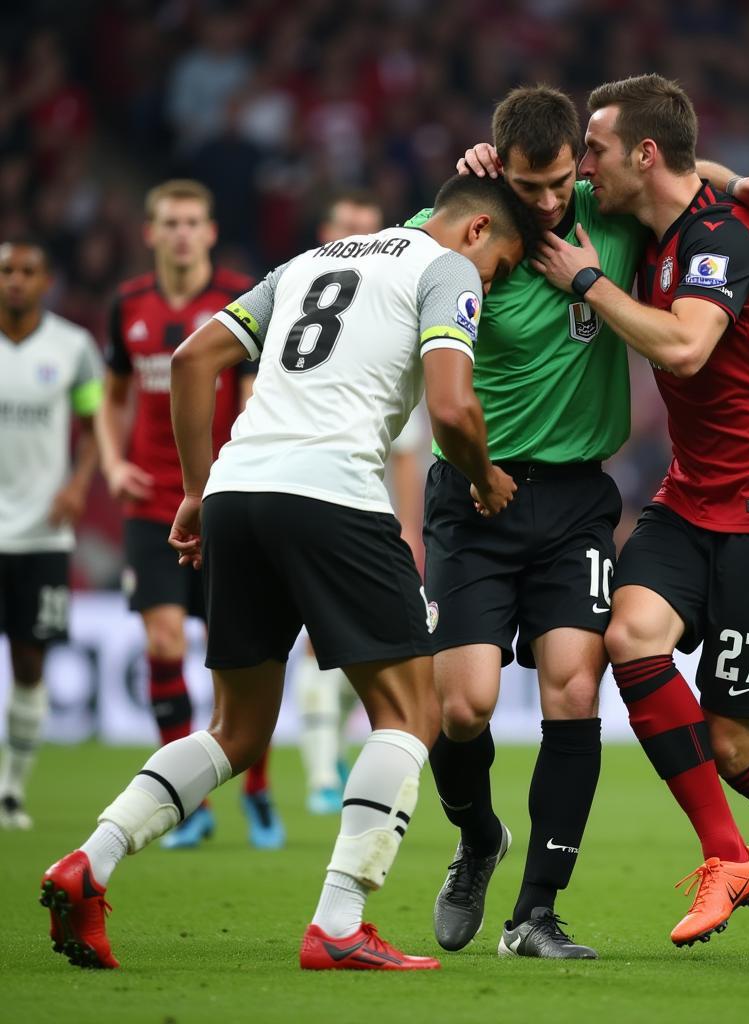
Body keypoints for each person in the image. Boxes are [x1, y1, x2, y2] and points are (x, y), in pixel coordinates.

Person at [40, 171, 532, 972]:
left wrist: (200, 490)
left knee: (234, 730)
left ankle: (91, 859)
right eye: (501, 268)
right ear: (477, 231)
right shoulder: (444, 269)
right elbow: (452, 410)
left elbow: (194, 358)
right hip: (333, 494)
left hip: (239, 492)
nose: (492, 284)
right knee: (413, 715)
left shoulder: (307, 261)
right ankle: (340, 921)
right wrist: (483, 476)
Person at [412, 85, 749, 960]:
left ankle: (535, 915)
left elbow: (675, 176)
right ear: (494, 167)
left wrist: (739, 186)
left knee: (575, 691)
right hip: (475, 493)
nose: (551, 201)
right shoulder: (455, 229)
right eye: (532, 186)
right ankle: (477, 839)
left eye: (561, 182)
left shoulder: (603, 214)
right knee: (464, 706)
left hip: (576, 499)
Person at [532, 73, 749, 957]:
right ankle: (724, 853)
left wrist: (588, 283)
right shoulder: (662, 217)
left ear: (642, 155)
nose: (585, 169)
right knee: (629, 635)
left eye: (597, 152)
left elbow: (687, 346)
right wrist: (733, 176)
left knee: (737, 745)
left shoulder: (721, 242)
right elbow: (683, 170)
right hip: (693, 495)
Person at [97, 179, 283, 849]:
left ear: (208, 232)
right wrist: (114, 463)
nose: (181, 233)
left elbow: (254, 396)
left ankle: (257, 790)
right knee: (164, 644)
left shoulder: (239, 300)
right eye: (169, 222)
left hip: (223, 500)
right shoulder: (128, 305)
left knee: (235, 657)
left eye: (192, 222)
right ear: (150, 233)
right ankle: (190, 806)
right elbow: (111, 395)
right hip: (152, 505)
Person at [296, 191, 429, 816]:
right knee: (318, 643)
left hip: (366, 510)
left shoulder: (388, 323)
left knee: (369, 644)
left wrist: (408, 529)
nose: (356, 240)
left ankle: (329, 764)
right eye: (345, 227)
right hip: (316, 498)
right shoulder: (303, 301)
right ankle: (322, 775)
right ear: (325, 231)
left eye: (366, 230)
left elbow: (406, 451)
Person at [0, 239, 101, 829]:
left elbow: (93, 428)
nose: (15, 280)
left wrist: (77, 485)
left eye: (26, 272)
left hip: (42, 533)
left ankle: (12, 789)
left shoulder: (73, 348)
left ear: (45, 281)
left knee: (30, 661)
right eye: (6, 271)